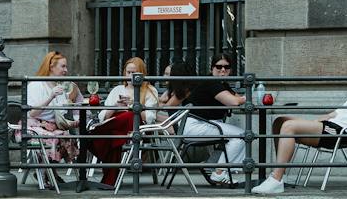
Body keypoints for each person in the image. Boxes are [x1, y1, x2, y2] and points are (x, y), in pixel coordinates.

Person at [250, 63, 347, 195]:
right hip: (331, 126)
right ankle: (281, 174)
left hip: (342, 132)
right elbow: (335, 114)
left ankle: (275, 179)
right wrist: (316, 121)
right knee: (280, 121)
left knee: (289, 127)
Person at [162, 53, 247, 184]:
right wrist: (249, 97)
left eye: (226, 67)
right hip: (194, 126)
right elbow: (233, 102)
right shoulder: (211, 82)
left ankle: (210, 165)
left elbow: (236, 98)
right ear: (212, 68)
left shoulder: (222, 84)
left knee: (235, 136)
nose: (223, 70)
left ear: (231, 69)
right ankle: (219, 172)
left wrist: (241, 99)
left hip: (203, 124)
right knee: (241, 135)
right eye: (219, 67)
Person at [92, 56, 161, 188]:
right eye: (128, 72)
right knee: (114, 138)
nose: (131, 76)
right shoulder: (117, 90)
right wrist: (115, 107)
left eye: (134, 72)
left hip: (137, 128)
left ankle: (93, 135)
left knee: (130, 115)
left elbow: (150, 117)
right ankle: (109, 181)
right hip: (117, 129)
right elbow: (102, 116)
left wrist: (134, 106)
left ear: (142, 73)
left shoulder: (150, 90)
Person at [26, 51, 81, 170]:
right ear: (51, 66)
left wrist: (71, 122)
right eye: (63, 66)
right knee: (56, 138)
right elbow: (32, 113)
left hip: (54, 127)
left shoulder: (62, 87)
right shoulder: (36, 85)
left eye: (66, 66)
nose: (66, 70)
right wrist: (51, 96)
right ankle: (47, 174)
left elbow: (59, 115)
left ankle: (50, 174)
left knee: (68, 137)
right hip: (34, 127)